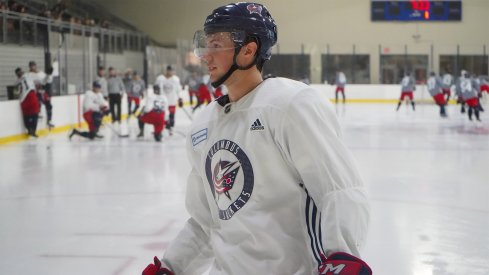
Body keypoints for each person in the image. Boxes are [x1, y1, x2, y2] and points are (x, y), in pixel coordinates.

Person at [142, 3, 371, 275]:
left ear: (248, 50)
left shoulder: (290, 105)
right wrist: (172, 268)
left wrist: (342, 256)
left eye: (216, 44)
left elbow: (338, 190)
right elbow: (207, 223)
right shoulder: (203, 125)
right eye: (205, 44)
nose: (205, 56)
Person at [155, 65, 183, 135]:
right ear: (166, 70)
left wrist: (180, 98)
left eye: (172, 71)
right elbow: (155, 88)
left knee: (172, 116)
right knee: (161, 116)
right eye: (169, 70)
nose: (171, 72)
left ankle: (171, 128)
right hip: (162, 102)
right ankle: (160, 129)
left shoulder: (176, 79)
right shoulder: (160, 78)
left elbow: (178, 90)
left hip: (172, 101)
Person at [26, 61, 54, 128]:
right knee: (36, 104)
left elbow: (47, 81)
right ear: (29, 67)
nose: (32, 67)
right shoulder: (28, 75)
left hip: (42, 91)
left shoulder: (41, 73)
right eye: (31, 66)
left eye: (33, 65)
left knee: (49, 105)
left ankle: (49, 121)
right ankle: (38, 114)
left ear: (36, 66)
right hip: (34, 92)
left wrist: (48, 74)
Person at [15, 67, 40, 137]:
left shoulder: (17, 82)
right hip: (31, 95)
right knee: (35, 114)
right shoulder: (28, 75)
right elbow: (38, 78)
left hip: (23, 99)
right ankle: (33, 131)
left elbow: (15, 92)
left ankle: (29, 129)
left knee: (26, 116)